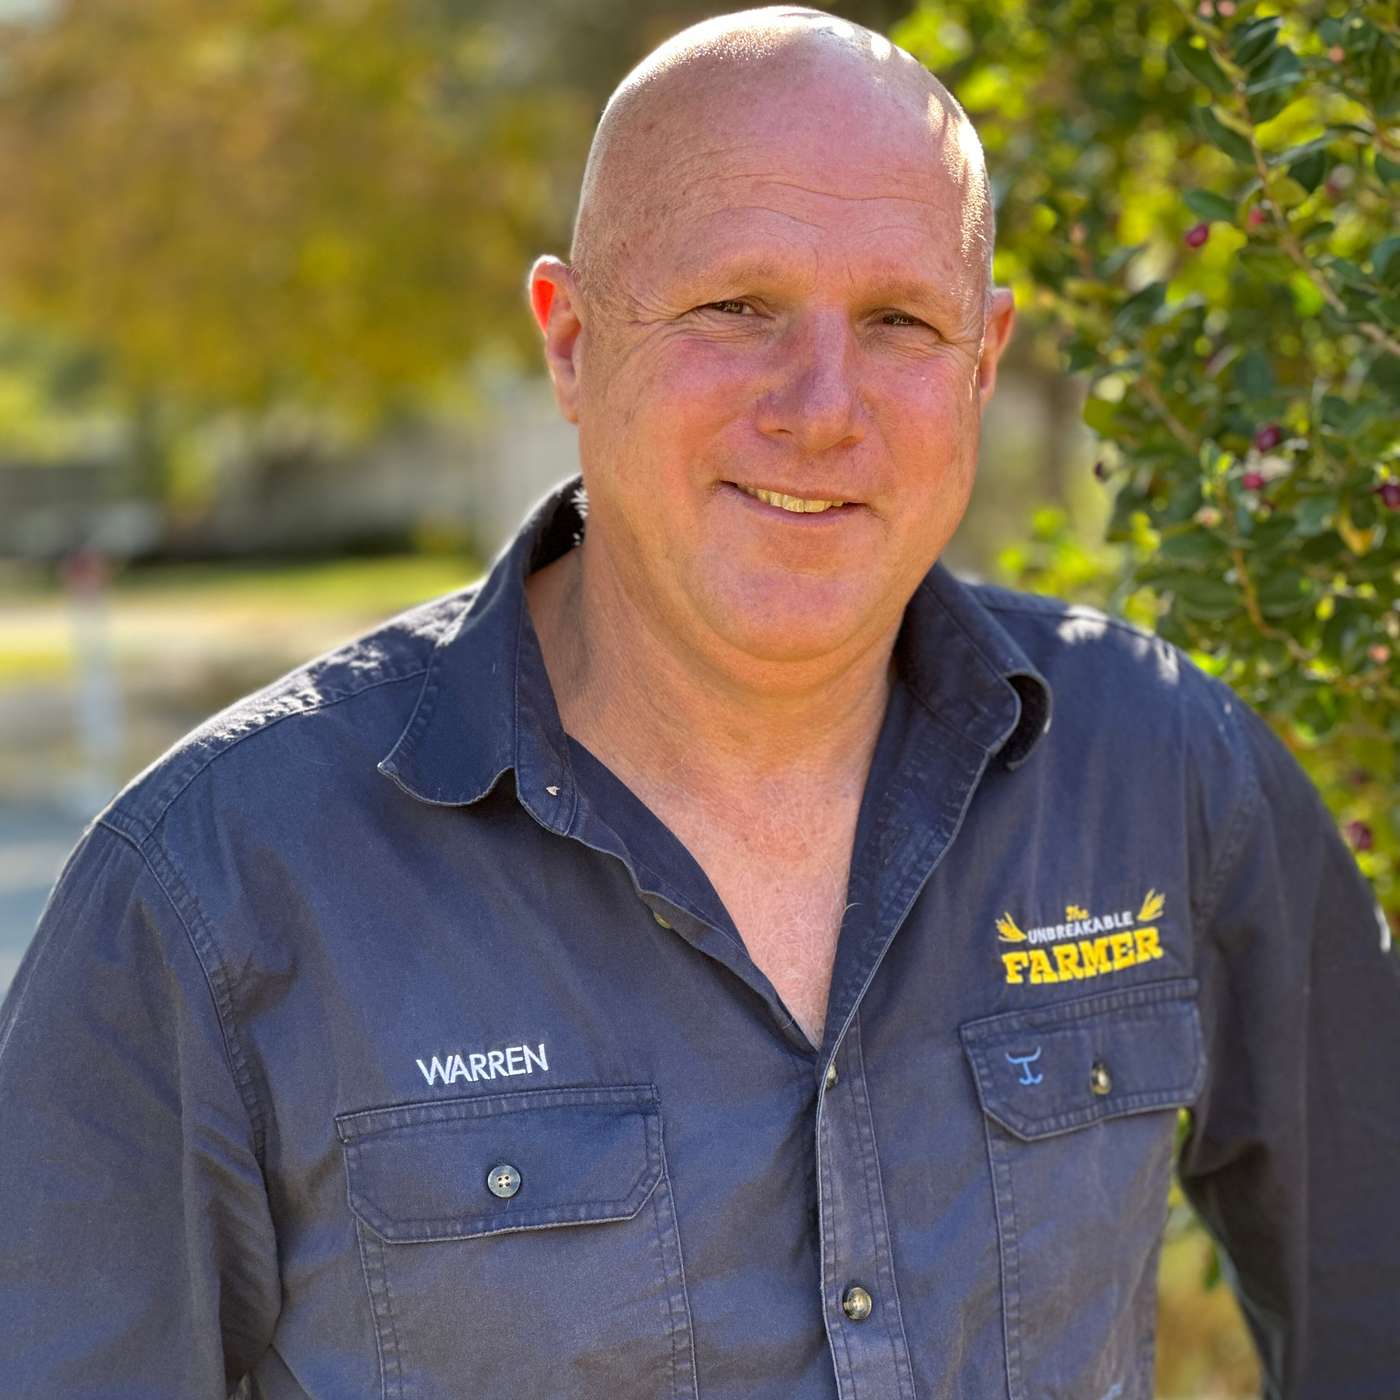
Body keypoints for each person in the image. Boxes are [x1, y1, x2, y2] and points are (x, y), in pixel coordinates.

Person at [1, 9, 1396, 1398]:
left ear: (982, 364)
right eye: (737, 308)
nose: (822, 406)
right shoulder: (211, 893)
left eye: (901, 322)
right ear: (570, 341)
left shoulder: (1160, 767)